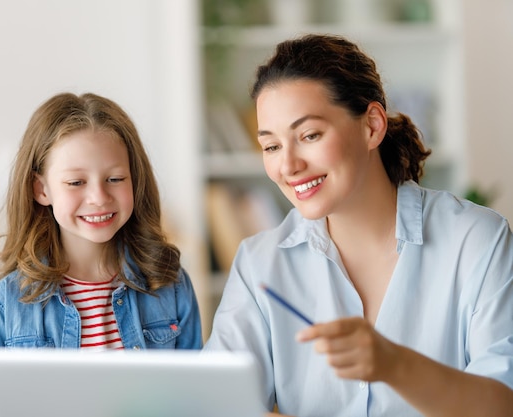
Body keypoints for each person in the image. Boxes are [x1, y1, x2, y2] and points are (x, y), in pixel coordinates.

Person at [204, 34, 513, 416]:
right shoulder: (260, 264)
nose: (287, 166)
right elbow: (217, 404)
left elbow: (503, 403)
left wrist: (395, 365)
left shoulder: (477, 241)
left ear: (372, 125)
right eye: (271, 146)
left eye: (309, 135)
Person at [0, 92, 203, 415]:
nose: (98, 196)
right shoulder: (7, 304)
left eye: (115, 178)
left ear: (134, 180)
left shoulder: (171, 285)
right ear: (41, 189)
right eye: (76, 182)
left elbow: (196, 399)